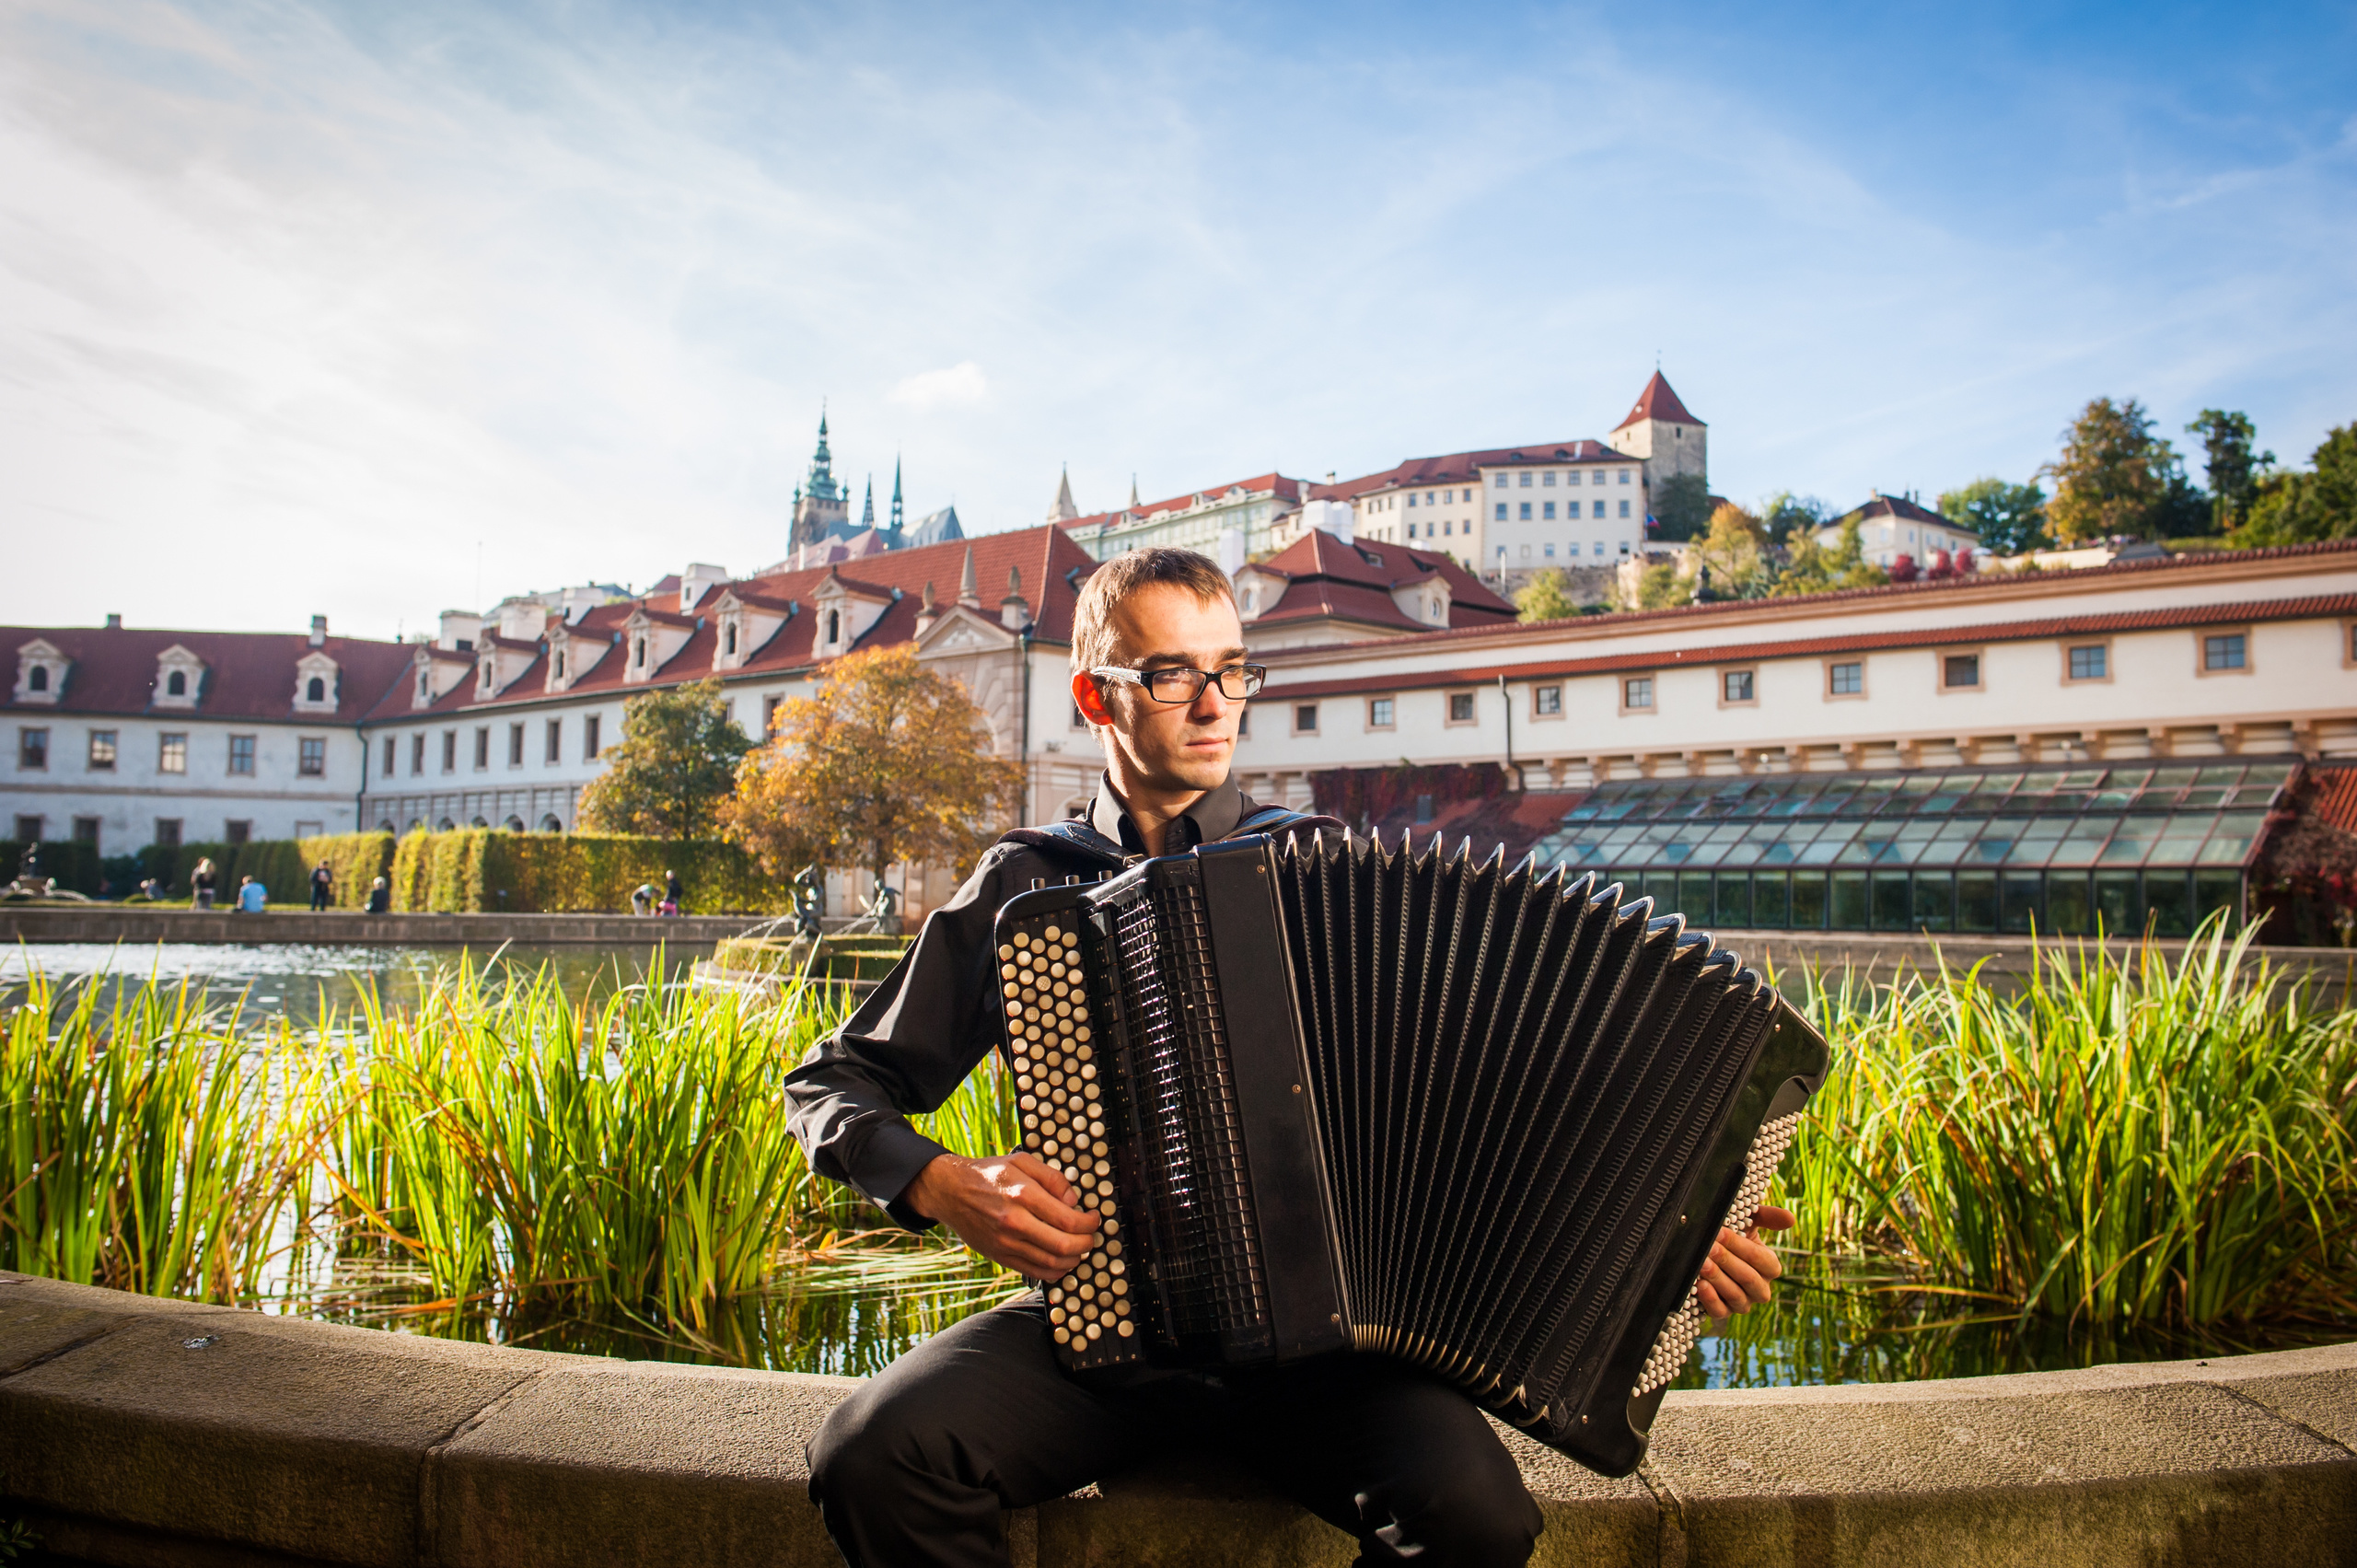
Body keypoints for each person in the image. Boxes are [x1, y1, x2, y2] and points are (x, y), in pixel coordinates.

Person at [787, 550, 1792, 1568]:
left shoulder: (1326, 871)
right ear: (1095, 693)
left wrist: (1669, 1228)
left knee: (1476, 1516)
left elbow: (1496, 1107)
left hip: (1330, 1358)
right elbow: (832, 1082)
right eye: (1174, 673)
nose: (1216, 702)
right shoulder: (1024, 885)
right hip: (1101, 1335)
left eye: (1232, 670)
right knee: (874, 1451)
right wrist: (941, 1179)